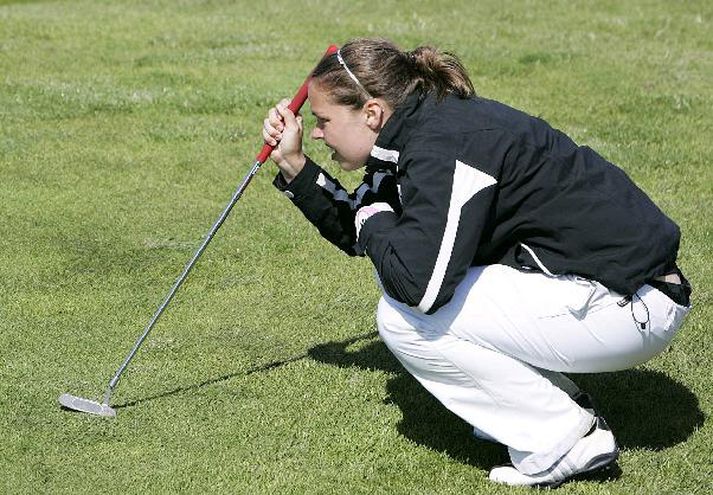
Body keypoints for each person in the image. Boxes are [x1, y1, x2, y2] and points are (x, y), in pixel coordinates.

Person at [262, 38, 691, 487]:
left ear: (371, 113)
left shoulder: (442, 147)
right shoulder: (422, 128)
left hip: (634, 307)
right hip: (616, 293)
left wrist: (371, 210)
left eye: (323, 121)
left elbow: (418, 285)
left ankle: (564, 439)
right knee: (417, 277)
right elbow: (368, 234)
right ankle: (551, 409)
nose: (315, 133)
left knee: (402, 316)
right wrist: (296, 167)